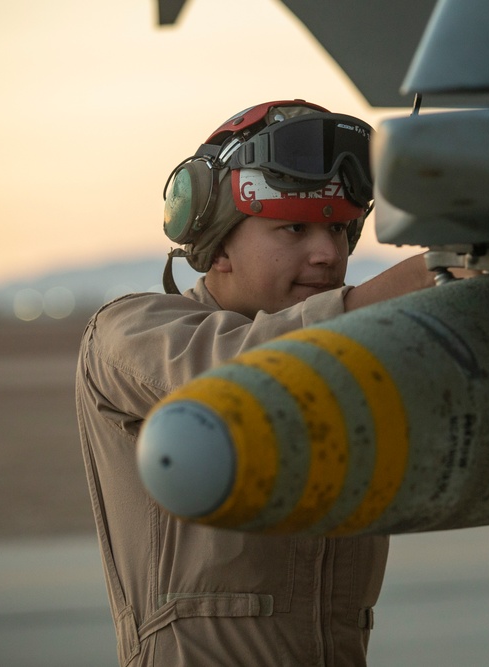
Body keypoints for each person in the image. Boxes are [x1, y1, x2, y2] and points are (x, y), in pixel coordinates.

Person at [75, 100, 437, 666]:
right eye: (294, 227)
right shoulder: (132, 333)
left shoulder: (359, 349)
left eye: (339, 228)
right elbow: (251, 374)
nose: (328, 253)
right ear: (218, 244)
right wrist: (432, 272)